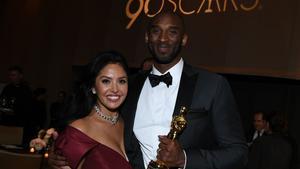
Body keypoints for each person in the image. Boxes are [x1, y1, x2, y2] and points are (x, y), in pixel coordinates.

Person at [49, 11, 247, 169]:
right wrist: (62, 156)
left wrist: (184, 159)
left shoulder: (212, 85)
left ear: (184, 39)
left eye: (172, 32)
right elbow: (96, 129)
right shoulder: (128, 86)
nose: (163, 39)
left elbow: (238, 153)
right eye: (156, 31)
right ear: (147, 37)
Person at [31, 51, 132, 169]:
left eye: (122, 81)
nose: (115, 89)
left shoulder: (128, 122)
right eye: (106, 81)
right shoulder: (78, 130)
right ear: (93, 87)